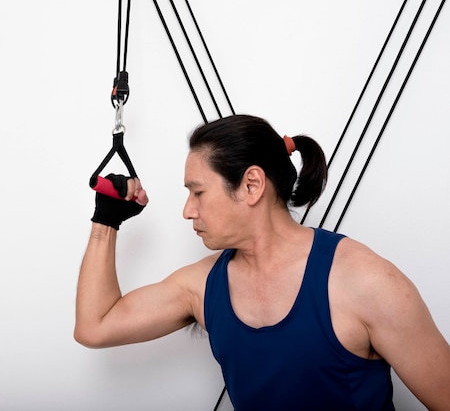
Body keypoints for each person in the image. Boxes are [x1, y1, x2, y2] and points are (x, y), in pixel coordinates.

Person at [74, 114, 450, 410]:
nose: (188, 211)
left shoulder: (367, 282)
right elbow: (95, 326)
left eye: (198, 192)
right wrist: (106, 220)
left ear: (252, 185)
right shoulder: (201, 287)